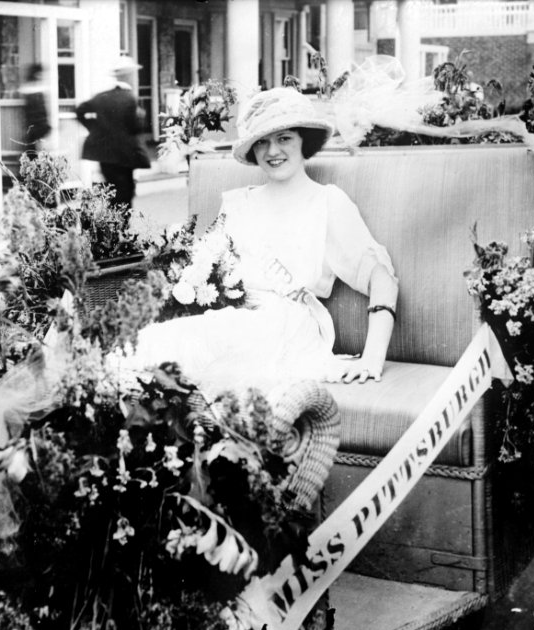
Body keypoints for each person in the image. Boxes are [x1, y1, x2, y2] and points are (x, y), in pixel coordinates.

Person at [130, 87, 399, 389]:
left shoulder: (327, 203)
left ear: (303, 142)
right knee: (147, 345)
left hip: (287, 328)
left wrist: (373, 357)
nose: (272, 152)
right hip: (233, 320)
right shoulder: (237, 204)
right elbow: (211, 275)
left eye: (284, 138)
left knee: (179, 357)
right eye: (262, 142)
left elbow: (381, 278)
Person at [75, 56, 151, 214]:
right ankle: (120, 229)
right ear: (127, 75)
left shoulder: (102, 97)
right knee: (125, 193)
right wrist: (141, 118)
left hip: (104, 155)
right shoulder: (129, 98)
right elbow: (135, 128)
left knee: (112, 191)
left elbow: (80, 110)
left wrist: (94, 129)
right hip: (124, 156)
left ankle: (112, 227)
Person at [18, 63, 51, 159]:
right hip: (38, 127)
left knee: (32, 151)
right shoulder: (37, 91)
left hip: (32, 127)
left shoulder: (28, 89)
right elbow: (40, 111)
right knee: (36, 153)